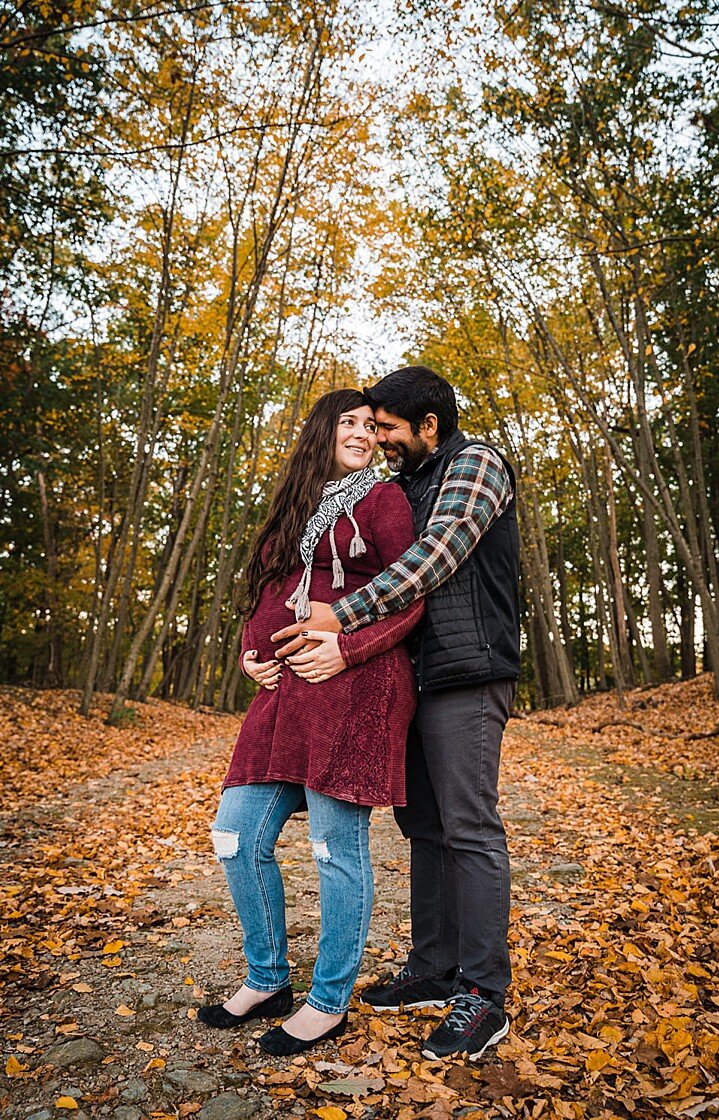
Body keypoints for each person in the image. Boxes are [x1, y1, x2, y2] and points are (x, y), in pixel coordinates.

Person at [271, 365, 521, 1061]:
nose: (377, 438)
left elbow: (433, 559)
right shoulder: (405, 479)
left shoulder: (476, 463)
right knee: (425, 826)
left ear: (429, 426)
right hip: (413, 674)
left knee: (469, 825)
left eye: (387, 428)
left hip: (469, 670)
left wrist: (339, 617)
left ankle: (483, 994)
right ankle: (434, 969)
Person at [201, 388, 425, 1056]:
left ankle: (328, 1003)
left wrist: (349, 647)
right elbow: (270, 595)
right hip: (284, 695)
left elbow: (410, 594)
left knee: (334, 849)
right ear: (320, 433)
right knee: (235, 836)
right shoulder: (294, 511)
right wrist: (250, 651)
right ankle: (268, 978)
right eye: (346, 423)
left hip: (355, 686)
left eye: (368, 425)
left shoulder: (384, 502)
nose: (360, 433)